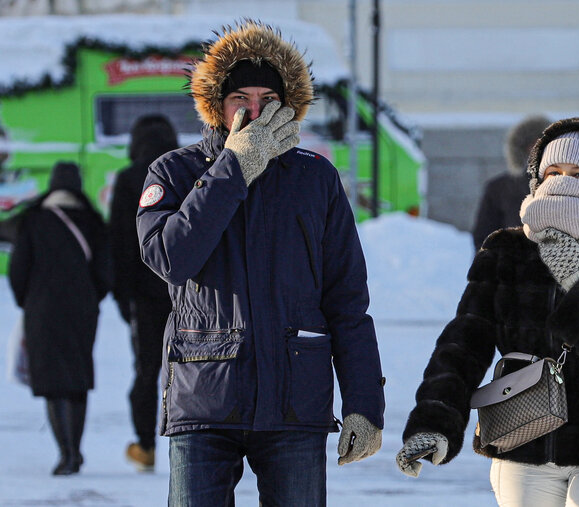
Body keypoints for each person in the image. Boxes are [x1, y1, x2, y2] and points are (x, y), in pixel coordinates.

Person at [135, 20, 385, 506]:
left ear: (287, 105)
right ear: (216, 106)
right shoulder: (175, 171)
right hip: (204, 395)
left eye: (267, 100)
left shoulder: (316, 179)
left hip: (296, 401)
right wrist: (234, 168)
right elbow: (170, 258)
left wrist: (363, 404)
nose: (254, 112)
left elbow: (347, 301)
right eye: (239, 100)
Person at [396, 118, 579, 507]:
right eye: (552, 172)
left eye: (578, 174)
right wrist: (434, 423)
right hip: (520, 438)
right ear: (537, 179)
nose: (562, 182)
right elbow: (463, 344)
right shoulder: (507, 250)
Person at [8, 161, 110, 475]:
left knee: (52, 382)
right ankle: (75, 450)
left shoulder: (34, 220)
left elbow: (18, 270)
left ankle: (65, 452)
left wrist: (29, 301)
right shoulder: (94, 222)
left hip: (43, 310)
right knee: (76, 379)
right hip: (82, 310)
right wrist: (92, 297)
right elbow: (106, 272)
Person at [109, 114, 178, 471]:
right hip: (187, 294)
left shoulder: (127, 179)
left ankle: (146, 446)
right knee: (192, 371)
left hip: (143, 295)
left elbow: (119, 243)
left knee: (147, 369)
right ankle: (192, 443)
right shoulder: (186, 171)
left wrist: (123, 295)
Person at [471, 115, 551, 250]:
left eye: (545, 145)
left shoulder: (571, 185)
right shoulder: (499, 188)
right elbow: (484, 238)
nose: (539, 152)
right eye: (533, 145)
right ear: (523, 149)